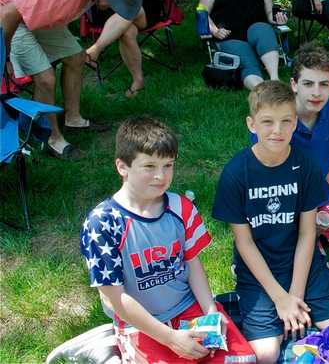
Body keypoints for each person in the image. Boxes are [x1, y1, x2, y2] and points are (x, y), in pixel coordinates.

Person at [79, 116, 256, 363]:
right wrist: (170, 338)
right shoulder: (103, 223)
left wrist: (211, 313)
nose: (160, 176)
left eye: (168, 165)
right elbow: (114, 297)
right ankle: (108, 346)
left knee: (245, 360)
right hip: (141, 323)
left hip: (187, 307)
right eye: (149, 166)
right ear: (122, 167)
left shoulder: (180, 207)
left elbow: (193, 264)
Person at [212, 81, 329, 364]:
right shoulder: (236, 173)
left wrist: (295, 295)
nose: (277, 130)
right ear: (251, 124)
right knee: (265, 355)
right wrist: (279, 298)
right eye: (267, 122)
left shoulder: (305, 165)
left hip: (302, 263)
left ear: (295, 123)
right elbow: (244, 243)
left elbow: (308, 233)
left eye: (286, 121)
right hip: (258, 269)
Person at [0, 0, 144, 159]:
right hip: (6, 14)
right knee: (45, 77)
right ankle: (51, 139)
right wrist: (3, 57)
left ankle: (73, 118)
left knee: (76, 57)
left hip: (28, 9)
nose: (113, 8)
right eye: (114, 3)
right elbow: (7, 14)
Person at [255, 44, 329, 248]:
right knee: (308, 259)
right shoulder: (276, 120)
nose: (316, 93)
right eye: (308, 84)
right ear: (294, 84)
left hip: (319, 193)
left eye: (323, 84)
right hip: (284, 202)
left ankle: (323, 231)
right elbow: (266, 178)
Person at [200, 0, 287, 89]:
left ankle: (275, 79)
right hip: (230, 36)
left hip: (257, 31)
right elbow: (202, 11)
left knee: (263, 29)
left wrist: (278, 20)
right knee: (248, 63)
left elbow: (270, 13)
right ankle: (262, 91)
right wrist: (214, 30)